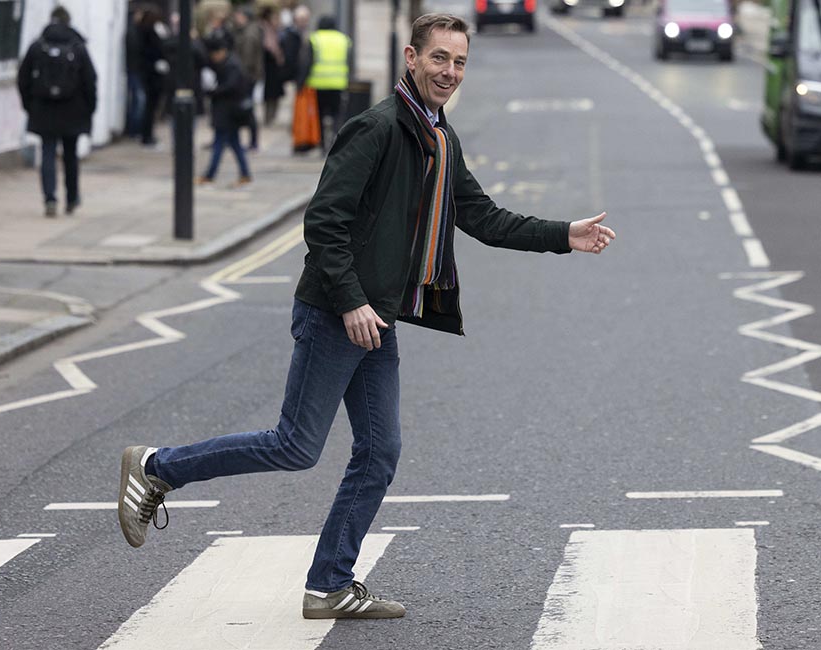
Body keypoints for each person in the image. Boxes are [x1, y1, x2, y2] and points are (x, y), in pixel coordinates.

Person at [117, 13, 615, 620]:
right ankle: (155, 467)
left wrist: (565, 234)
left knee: (380, 452)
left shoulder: (438, 137)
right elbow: (324, 223)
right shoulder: (376, 128)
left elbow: (483, 217)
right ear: (411, 58)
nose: (449, 72)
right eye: (439, 59)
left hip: (377, 317)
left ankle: (329, 583)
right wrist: (351, 300)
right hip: (336, 311)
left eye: (459, 63)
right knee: (295, 446)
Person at [17, 5, 96, 217]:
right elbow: (90, 80)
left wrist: (29, 105)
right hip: (73, 109)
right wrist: (90, 109)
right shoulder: (78, 47)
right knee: (70, 155)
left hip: (44, 109)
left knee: (48, 153)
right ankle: (71, 198)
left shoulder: (37, 46)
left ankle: (50, 198)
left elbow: (23, 79)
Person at [196, 30, 252, 188]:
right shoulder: (228, 63)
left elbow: (230, 86)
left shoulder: (232, 65)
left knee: (219, 144)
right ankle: (245, 174)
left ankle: (210, 175)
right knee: (234, 144)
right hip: (227, 112)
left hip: (228, 113)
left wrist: (213, 91)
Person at [301, 15, 351, 151]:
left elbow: (307, 62)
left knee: (319, 115)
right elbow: (348, 62)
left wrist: (301, 82)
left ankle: (323, 144)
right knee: (336, 114)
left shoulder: (314, 38)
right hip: (338, 83)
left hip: (318, 84)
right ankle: (336, 140)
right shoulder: (343, 39)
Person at [229, 6, 263, 150]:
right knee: (246, 107)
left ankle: (252, 141)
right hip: (249, 75)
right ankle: (250, 140)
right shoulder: (248, 31)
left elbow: (247, 59)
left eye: (238, 15)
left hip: (247, 76)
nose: (236, 18)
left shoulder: (249, 34)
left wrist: (240, 75)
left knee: (246, 107)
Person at [138, 6, 171, 147]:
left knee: (149, 107)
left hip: (150, 73)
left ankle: (147, 134)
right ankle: (147, 136)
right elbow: (158, 48)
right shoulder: (150, 31)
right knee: (150, 107)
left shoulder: (144, 30)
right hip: (153, 75)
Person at [259, 5, 286, 125]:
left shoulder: (277, 31)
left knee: (275, 93)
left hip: (275, 66)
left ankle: (272, 116)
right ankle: (268, 116)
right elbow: (268, 47)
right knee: (269, 93)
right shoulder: (266, 30)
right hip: (269, 66)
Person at [124, 7, 146, 138]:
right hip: (135, 70)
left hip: (135, 70)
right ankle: (133, 129)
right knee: (138, 100)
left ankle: (134, 128)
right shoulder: (134, 32)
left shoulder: (135, 31)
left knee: (137, 100)